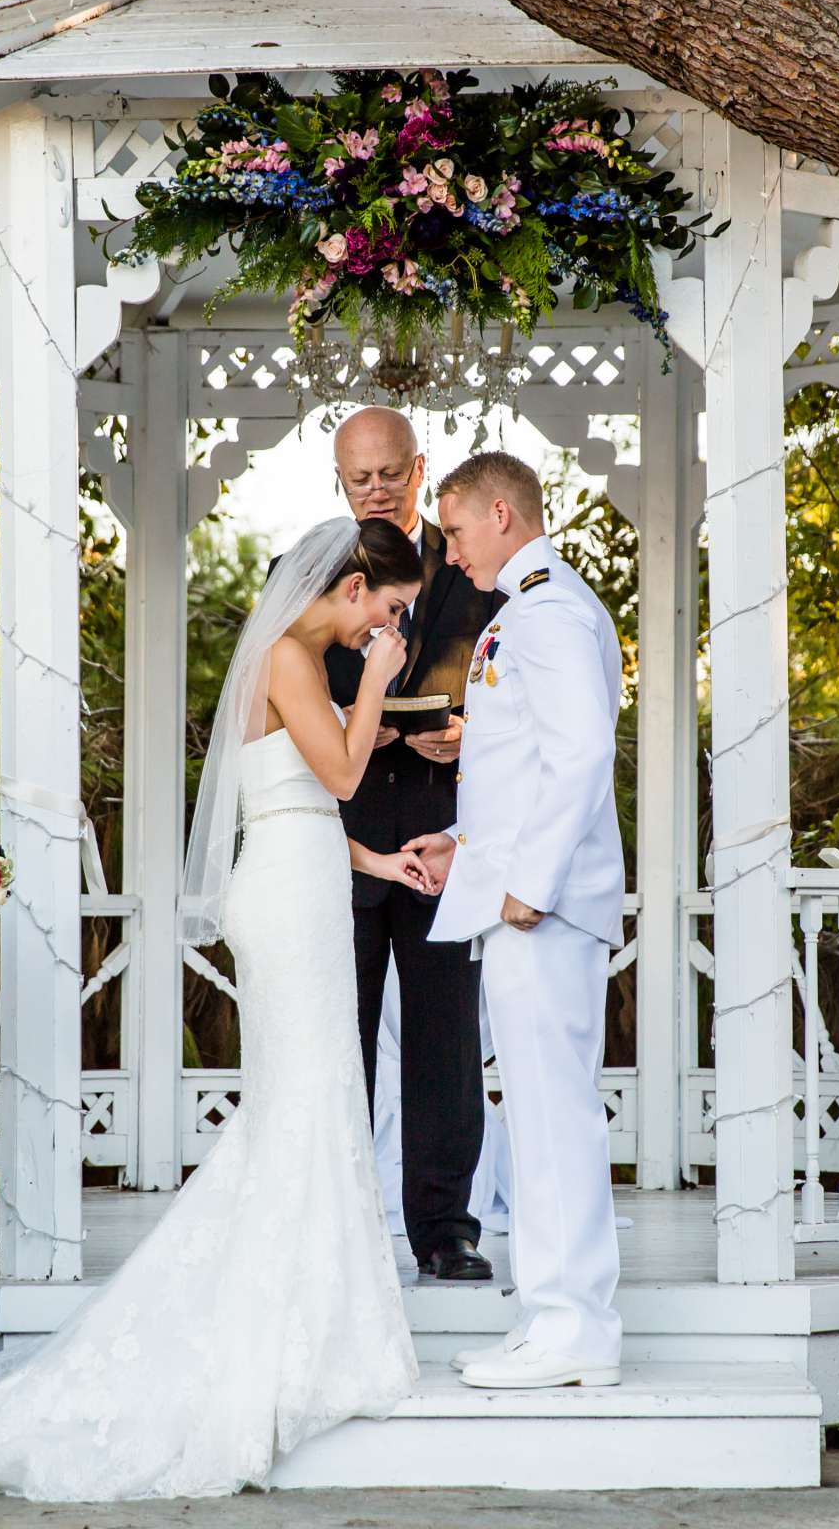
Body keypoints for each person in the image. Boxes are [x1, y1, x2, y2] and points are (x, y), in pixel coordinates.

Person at [0, 517, 424, 1499]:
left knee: (309, 1100)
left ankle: (320, 1309)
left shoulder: (297, 659)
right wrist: (381, 681)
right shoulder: (294, 657)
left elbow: (304, 804)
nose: (381, 631)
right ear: (354, 585)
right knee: (303, 1101)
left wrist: (377, 860)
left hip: (304, 875)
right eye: (387, 611)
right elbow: (345, 777)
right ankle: (290, 1324)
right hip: (290, 898)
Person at [406, 451, 628, 1392]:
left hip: (544, 909)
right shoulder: (528, 610)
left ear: (502, 513)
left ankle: (576, 1328)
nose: (448, 554)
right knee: (535, 1116)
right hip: (516, 898)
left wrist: (529, 883)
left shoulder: (550, 611)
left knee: (553, 1116)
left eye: (453, 531)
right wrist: (467, 847)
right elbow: (521, 771)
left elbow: (580, 756)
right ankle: (549, 1317)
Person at [324, 407, 502, 1281]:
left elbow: (508, 685)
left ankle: (445, 1227)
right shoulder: (312, 571)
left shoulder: (472, 565)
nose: (376, 488)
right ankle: (339, 1223)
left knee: (445, 1039)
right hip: (344, 842)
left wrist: (471, 732)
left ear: (418, 468)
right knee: (337, 1037)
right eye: (359, 477)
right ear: (339, 482)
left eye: (390, 472)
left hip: (440, 835)